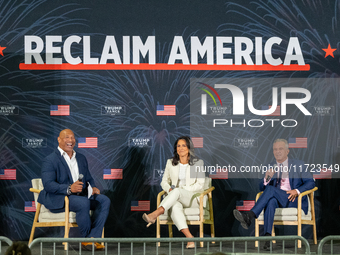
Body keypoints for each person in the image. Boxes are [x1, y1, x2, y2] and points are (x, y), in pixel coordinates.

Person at [233, 139, 315, 250]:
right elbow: (261, 188)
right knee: (270, 202)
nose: (278, 152)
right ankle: (268, 239)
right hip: (277, 199)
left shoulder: (298, 164)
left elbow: (311, 182)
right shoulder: (270, 166)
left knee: (271, 190)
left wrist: (297, 191)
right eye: (275, 149)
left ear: (287, 151)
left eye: (280, 149)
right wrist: (267, 178)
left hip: (294, 200)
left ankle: (250, 216)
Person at [38, 129, 110, 251]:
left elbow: (89, 178)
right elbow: (48, 185)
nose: (70, 140)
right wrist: (69, 188)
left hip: (81, 196)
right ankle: (87, 239)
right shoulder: (50, 160)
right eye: (67, 137)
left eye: (72, 137)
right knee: (83, 202)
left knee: (104, 200)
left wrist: (93, 187)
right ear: (59, 140)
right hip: (60, 198)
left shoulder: (81, 158)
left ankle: (92, 238)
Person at [142, 136, 205, 249]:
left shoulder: (198, 163)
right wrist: (169, 190)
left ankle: (155, 214)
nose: (180, 148)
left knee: (177, 191)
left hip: (192, 198)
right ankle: (190, 239)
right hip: (174, 196)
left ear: (189, 147)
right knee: (175, 206)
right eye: (178, 146)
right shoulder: (170, 162)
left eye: (184, 145)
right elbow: (164, 182)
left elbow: (200, 184)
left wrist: (181, 190)